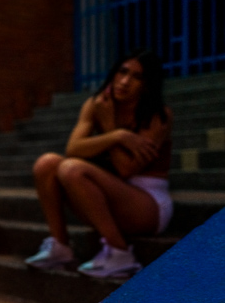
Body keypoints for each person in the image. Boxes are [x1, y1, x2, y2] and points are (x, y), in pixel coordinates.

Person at [24, 48, 173, 278]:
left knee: (71, 168)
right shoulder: (98, 105)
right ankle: (61, 246)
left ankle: (120, 253)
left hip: (148, 204)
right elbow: (73, 148)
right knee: (47, 163)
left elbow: (126, 169)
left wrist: (110, 126)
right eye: (122, 72)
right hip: (112, 193)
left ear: (147, 84)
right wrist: (117, 135)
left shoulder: (157, 115)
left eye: (137, 77)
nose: (125, 82)